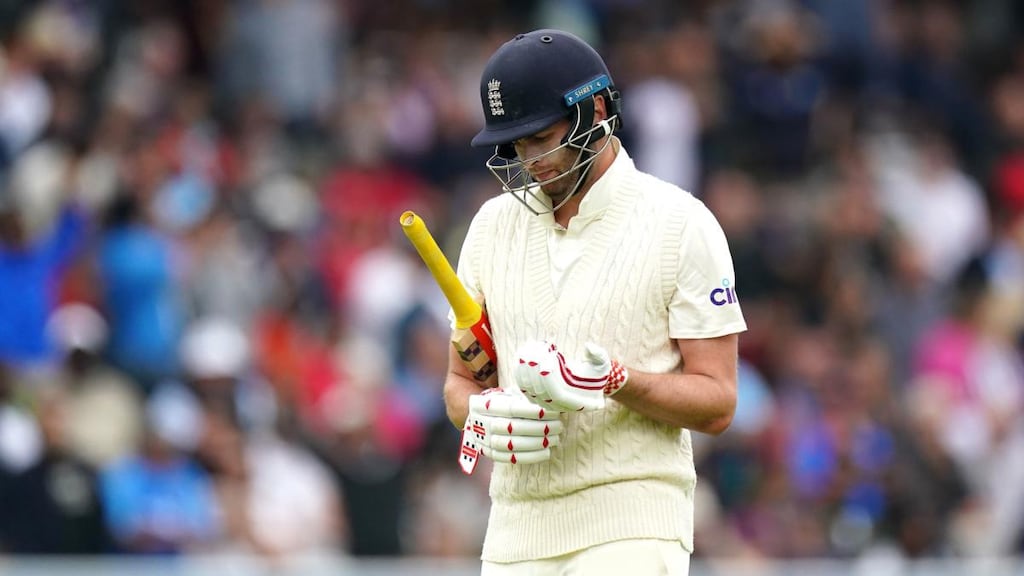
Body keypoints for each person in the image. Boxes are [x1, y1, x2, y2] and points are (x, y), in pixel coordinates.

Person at [442, 29, 748, 575]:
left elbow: (719, 401)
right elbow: (460, 382)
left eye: (542, 138)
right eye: (515, 145)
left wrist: (616, 382)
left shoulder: (680, 223)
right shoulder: (491, 227)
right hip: (515, 528)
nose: (530, 161)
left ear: (596, 110)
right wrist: (484, 414)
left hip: (633, 518)